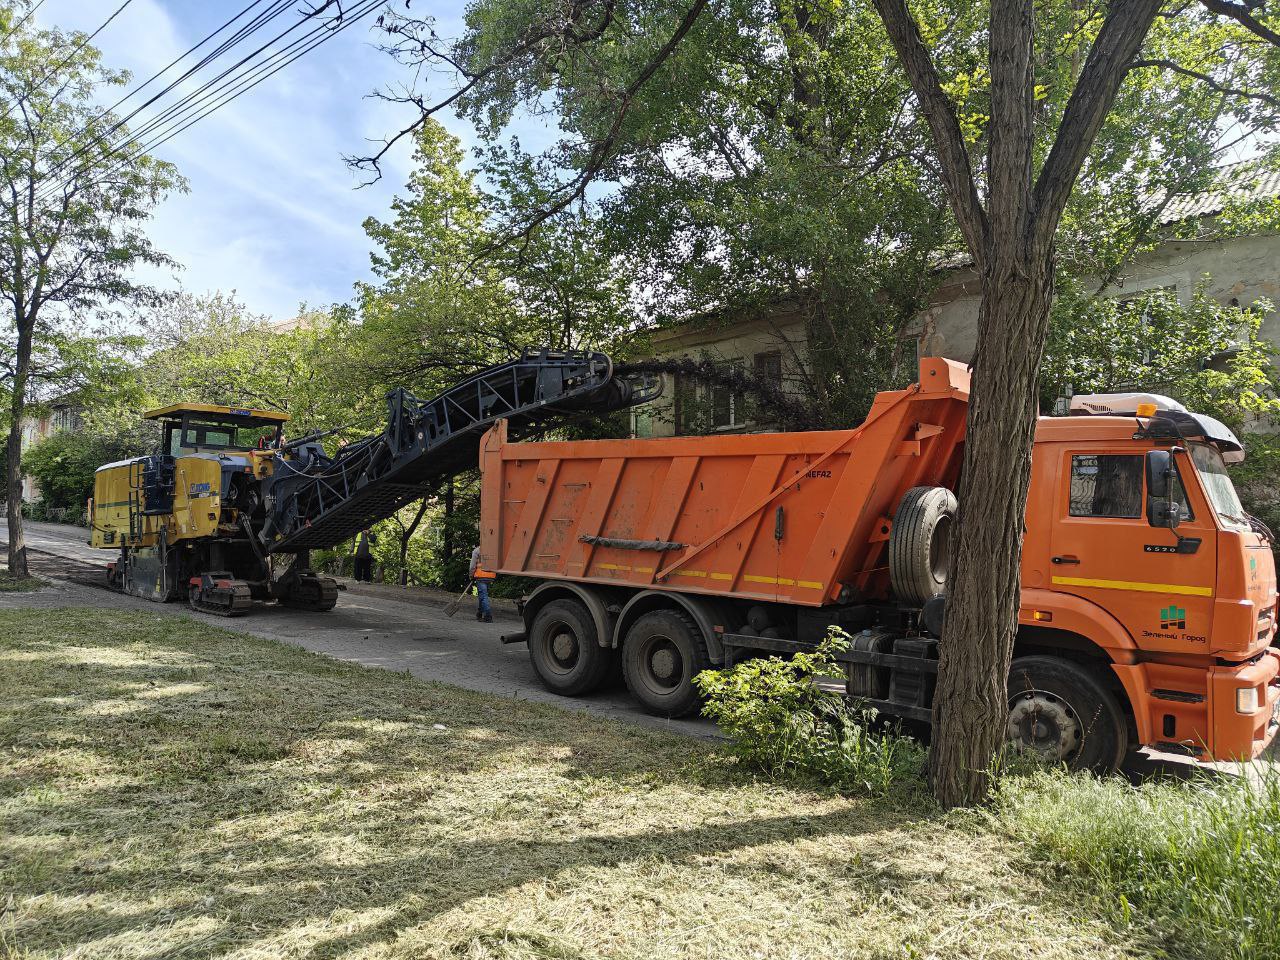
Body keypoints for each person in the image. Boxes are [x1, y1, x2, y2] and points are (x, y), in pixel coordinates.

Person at [469, 543, 494, 622]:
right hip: (490, 576)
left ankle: (488, 616)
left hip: (481, 576)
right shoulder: (492, 551)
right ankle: (479, 613)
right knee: (482, 595)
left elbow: (472, 566)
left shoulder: (477, 551)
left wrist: (471, 575)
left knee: (483, 597)